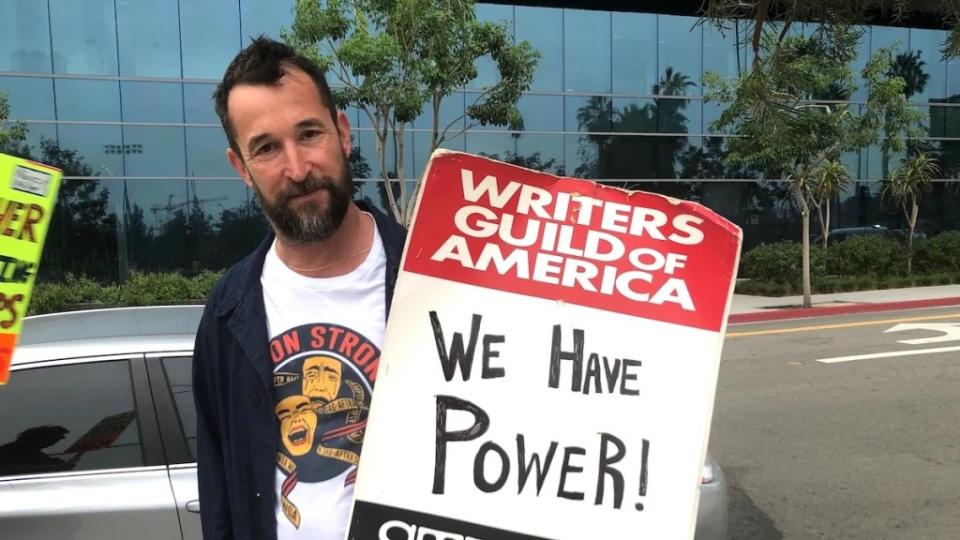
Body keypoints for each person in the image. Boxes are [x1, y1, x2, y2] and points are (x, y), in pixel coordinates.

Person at [193, 36, 406, 540]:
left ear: (343, 133)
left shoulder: (432, 280)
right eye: (266, 148)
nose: (296, 167)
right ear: (241, 168)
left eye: (309, 133)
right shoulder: (227, 314)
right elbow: (219, 490)